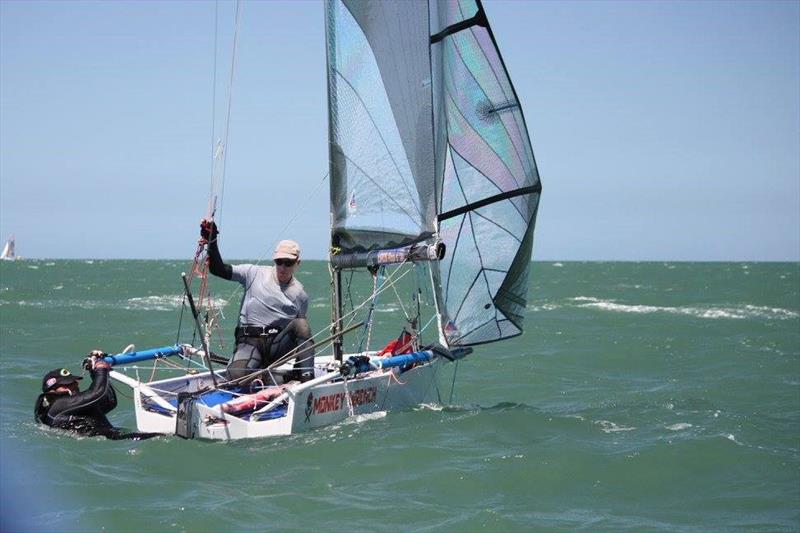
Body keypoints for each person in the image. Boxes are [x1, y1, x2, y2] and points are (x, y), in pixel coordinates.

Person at [200, 219, 315, 383]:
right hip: (250, 342)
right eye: (279, 261)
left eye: (288, 263)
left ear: (297, 263)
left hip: (276, 347)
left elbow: (300, 338)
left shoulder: (300, 294)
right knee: (236, 378)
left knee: (302, 325)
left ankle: (306, 382)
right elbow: (218, 269)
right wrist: (211, 240)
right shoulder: (252, 273)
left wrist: (301, 367)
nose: (282, 267)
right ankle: (267, 376)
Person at [34, 351, 161, 440]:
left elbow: (109, 401)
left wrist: (95, 371)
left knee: (158, 434)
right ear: (52, 390)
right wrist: (101, 369)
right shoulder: (58, 405)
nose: (74, 386)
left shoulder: (71, 407)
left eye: (73, 382)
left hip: (116, 438)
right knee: (162, 435)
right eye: (67, 384)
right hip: (113, 443)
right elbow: (96, 393)